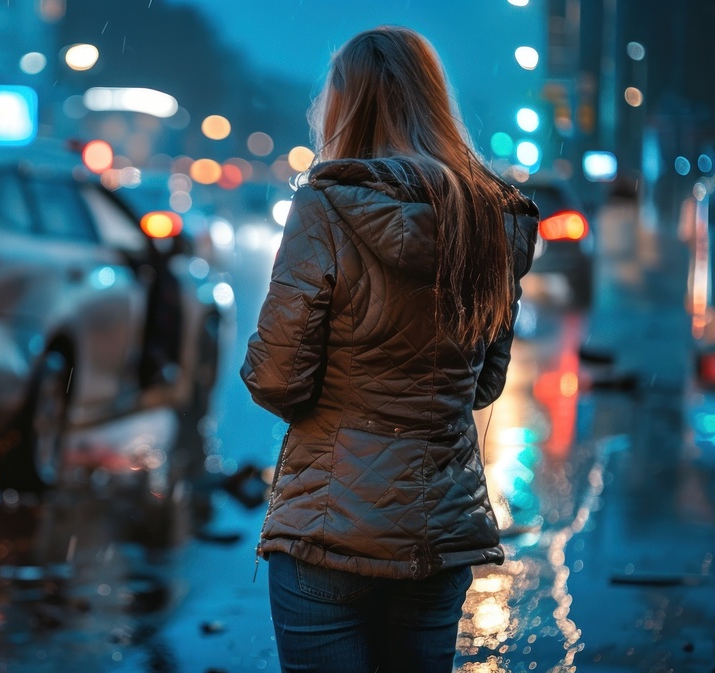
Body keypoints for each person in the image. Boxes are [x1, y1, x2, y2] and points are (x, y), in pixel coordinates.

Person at [241, 26, 540, 673]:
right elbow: (482, 385)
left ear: (344, 106)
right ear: (434, 103)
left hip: (328, 526)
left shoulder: (325, 205)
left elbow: (276, 379)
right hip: (437, 532)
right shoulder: (492, 218)